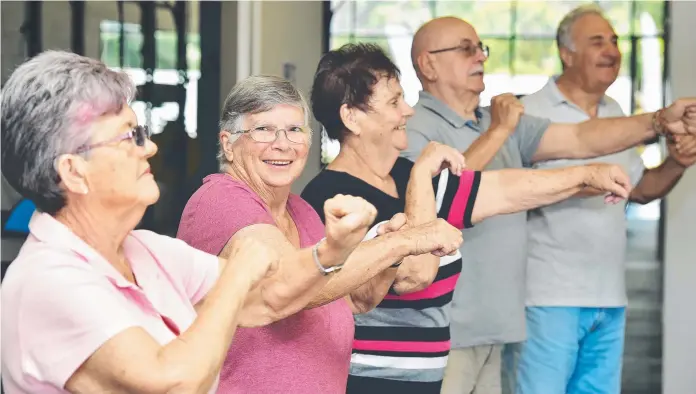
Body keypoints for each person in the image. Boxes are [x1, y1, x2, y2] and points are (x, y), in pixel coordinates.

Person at [0, 51, 375, 394]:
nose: (149, 148)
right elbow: (172, 383)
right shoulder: (49, 280)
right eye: (128, 138)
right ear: (74, 171)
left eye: (140, 132)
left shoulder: (146, 249)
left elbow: (266, 297)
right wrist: (238, 273)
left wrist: (332, 250)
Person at [302, 43, 634, 394]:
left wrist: (587, 175)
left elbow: (504, 190)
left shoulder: (401, 174)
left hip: (427, 380)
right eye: (394, 102)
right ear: (352, 117)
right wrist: (420, 179)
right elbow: (416, 275)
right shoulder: (331, 198)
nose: (408, 112)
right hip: (369, 384)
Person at [403, 16, 696, 394]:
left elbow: (579, 139)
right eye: (466, 49)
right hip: (446, 330)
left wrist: (658, 121)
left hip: (497, 326)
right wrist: (502, 132)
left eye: (481, 48)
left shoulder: (499, 119)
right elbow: (447, 196)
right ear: (428, 65)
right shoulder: (414, 128)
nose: (481, 57)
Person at [176, 75, 465, 394]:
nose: (282, 144)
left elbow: (358, 298)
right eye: (263, 129)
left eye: (294, 130)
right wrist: (405, 241)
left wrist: (392, 248)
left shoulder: (302, 213)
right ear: (228, 144)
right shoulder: (221, 199)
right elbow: (284, 285)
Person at [515, 6, 696, 394]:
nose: (612, 50)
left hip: (609, 299)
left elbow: (640, 188)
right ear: (566, 53)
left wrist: (677, 163)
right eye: (597, 41)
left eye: (614, 40)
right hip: (548, 298)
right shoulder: (531, 112)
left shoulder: (615, 113)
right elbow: (520, 190)